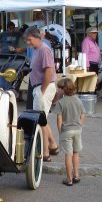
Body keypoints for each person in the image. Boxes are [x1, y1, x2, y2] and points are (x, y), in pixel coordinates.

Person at [24, 26, 59, 162]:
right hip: (38, 86)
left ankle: (45, 152)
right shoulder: (37, 50)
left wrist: (42, 91)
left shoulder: (44, 50)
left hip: (43, 87)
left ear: (38, 38)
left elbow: (49, 71)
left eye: (30, 40)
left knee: (40, 121)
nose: (28, 42)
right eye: (27, 40)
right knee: (41, 119)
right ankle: (53, 145)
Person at [53, 78, 85, 186]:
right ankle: (76, 175)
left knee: (68, 154)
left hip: (66, 131)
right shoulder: (78, 100)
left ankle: (69, 178)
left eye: (59, 88)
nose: (58, 90)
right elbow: (83, 115)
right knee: (76, 152)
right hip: (77, 130)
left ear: (64, 89)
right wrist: (79, 125)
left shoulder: (61, 102)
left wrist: (60, 130)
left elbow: (59, 119)